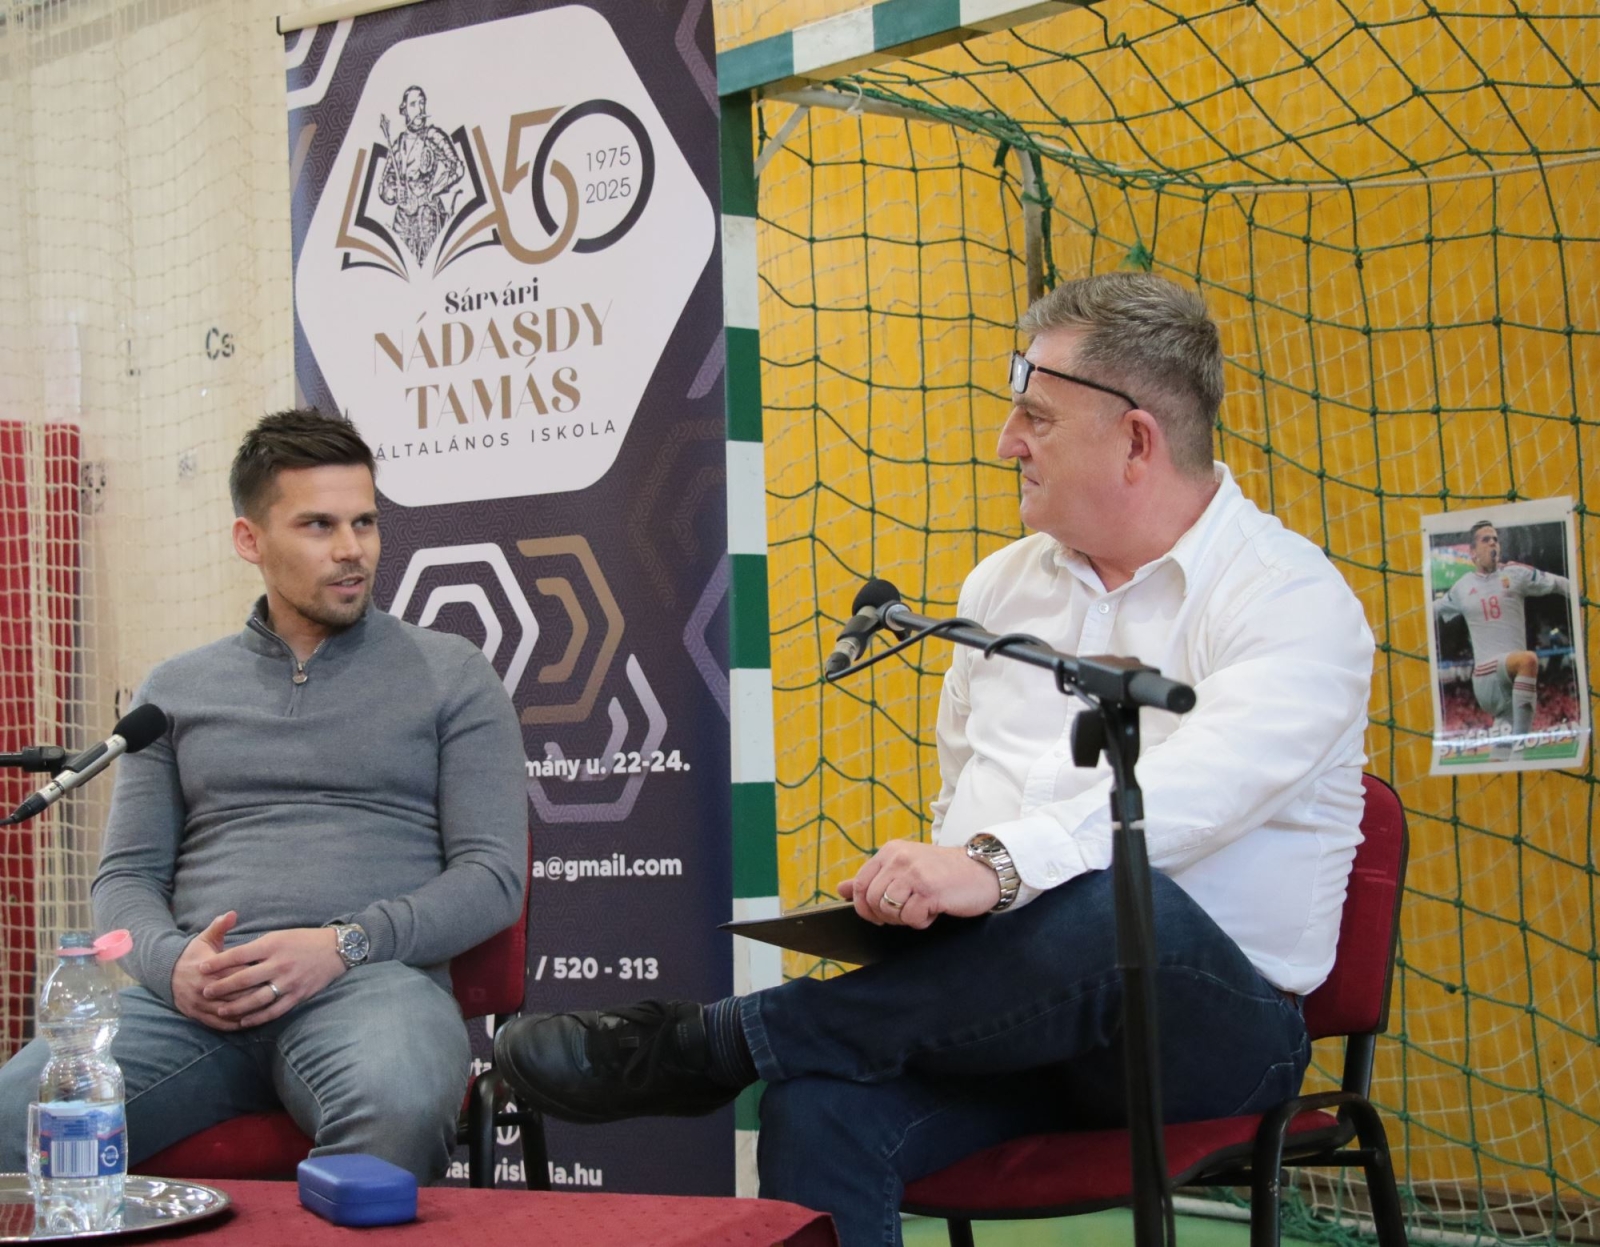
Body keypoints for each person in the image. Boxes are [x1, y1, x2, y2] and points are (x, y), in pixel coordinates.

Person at [493, 273, 1375, 1246]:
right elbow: (965, 798)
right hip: (1014, 1022)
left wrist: (992, 865)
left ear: (1135, 440)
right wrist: (930, 895)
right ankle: (745, 1046)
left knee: (1120, 904)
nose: (1006, 441)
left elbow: (1197, 791)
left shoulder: (1290, 599)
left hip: (1207, 1041)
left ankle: (715, 1041)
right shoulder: (997, 590)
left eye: (1036, 417)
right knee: (816, 1104)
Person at [0, 409, 528, 1181]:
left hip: (371, 987)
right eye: (318, 525)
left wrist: (344, 943)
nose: (352, 548)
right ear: (249, 539)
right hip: (189, 1005)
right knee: (14, 1115)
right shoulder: (175, 689)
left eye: (364, 521)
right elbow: (124, 879)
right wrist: (174, 964)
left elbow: (493, 876)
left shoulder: (452, 674)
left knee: (399, 1104)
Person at [1432, 520, 1571, 748]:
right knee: (1528, 660)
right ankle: (1520, 743)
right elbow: (1434, 609)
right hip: (1486, 677)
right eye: (1486, 540)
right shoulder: (1462, 587)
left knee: (1502, 754)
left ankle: (1509, 751)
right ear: (1473, 552)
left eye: (1495, 539)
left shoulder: (1515, 573)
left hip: (1512, 681)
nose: (1493, 543)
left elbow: (1559, 583)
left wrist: (1581, 595)